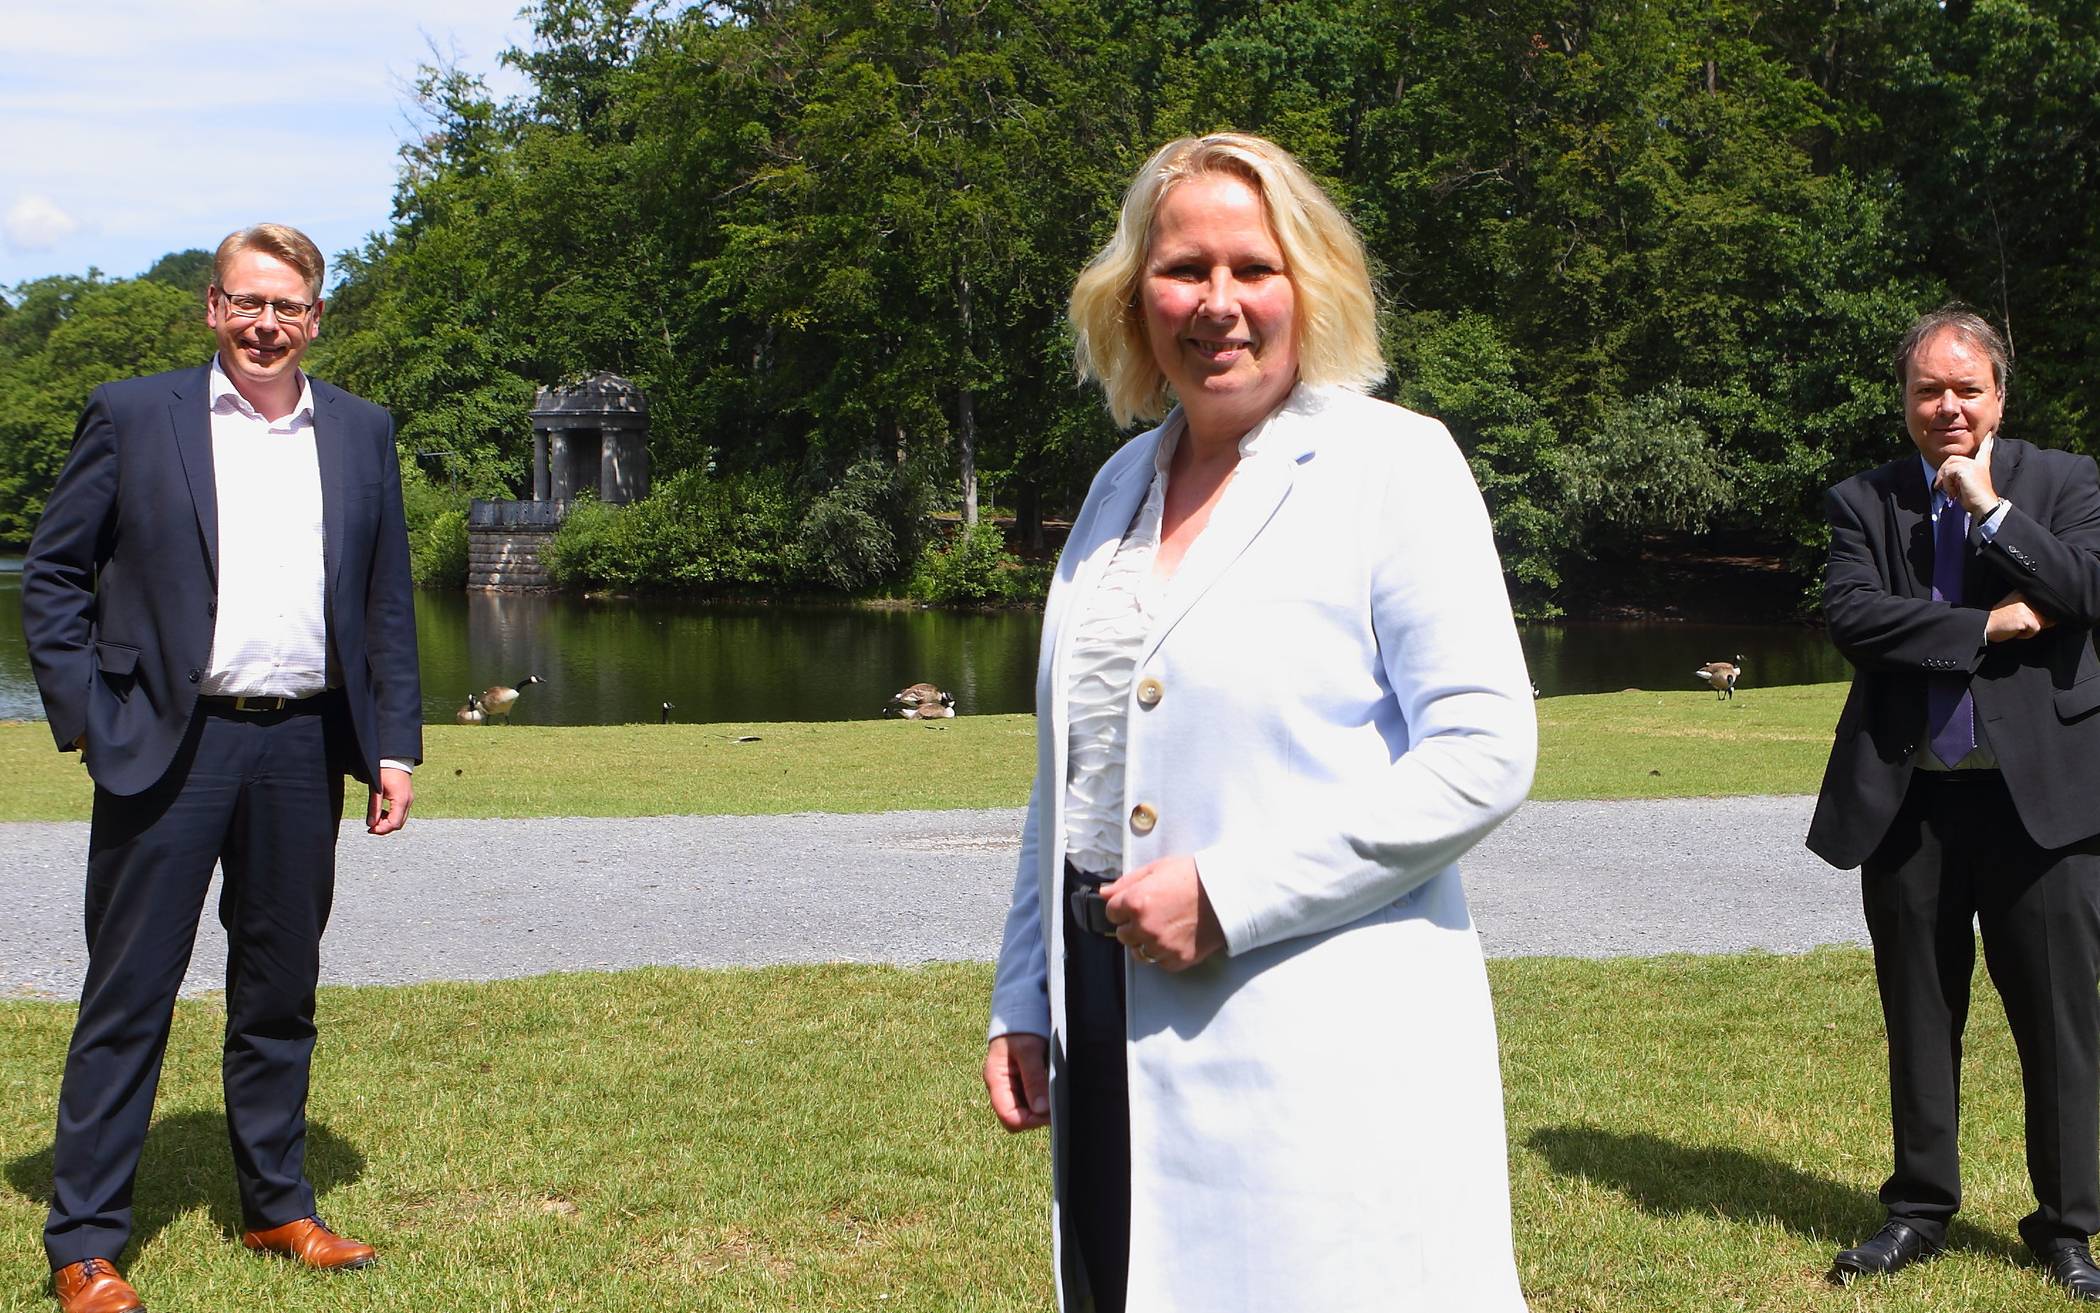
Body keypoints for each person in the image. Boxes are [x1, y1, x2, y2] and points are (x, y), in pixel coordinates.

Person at [982, 133, 1537, 1311]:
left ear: (1311, 285)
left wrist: (1234, 892)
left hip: (1317, 1039)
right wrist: (1025, 996)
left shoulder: (1394, 464)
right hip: (1104, 1020)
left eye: (1255, 268)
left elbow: (1485, 750)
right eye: (1185, 268)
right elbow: (1072, 772)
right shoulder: (1116, 484)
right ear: (1135, 298)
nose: (1218, 304)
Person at [20, 223, 422, 1313]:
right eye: (247, 302)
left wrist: (392, 742)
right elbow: (53, 577)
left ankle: (276, 1203)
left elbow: (385, 598)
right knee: (130, 991)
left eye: (286, 306)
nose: (265, 324)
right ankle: (87, 1239)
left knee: (280, 989)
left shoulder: (359, 429)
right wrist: (90, 720)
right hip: (168, 743)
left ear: (315, 317)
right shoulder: (134, 414)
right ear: (212, 307)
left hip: (303, 744)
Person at [1810, 306, 2100, 1298]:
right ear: (1905, 400)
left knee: (2060, 1025)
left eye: (1965, 389)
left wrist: (1990, 509)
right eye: (1928, 389)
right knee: (1920, 1015)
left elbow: (2084, 587)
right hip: (1911, 804)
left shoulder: (2066, 483)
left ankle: (2066, 1228)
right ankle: (1919, 1210)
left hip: (2044, 811)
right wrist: (1988, 623)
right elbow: (1852, 616)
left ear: (1999, 396)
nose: (1947, 406)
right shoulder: (1866, 499)